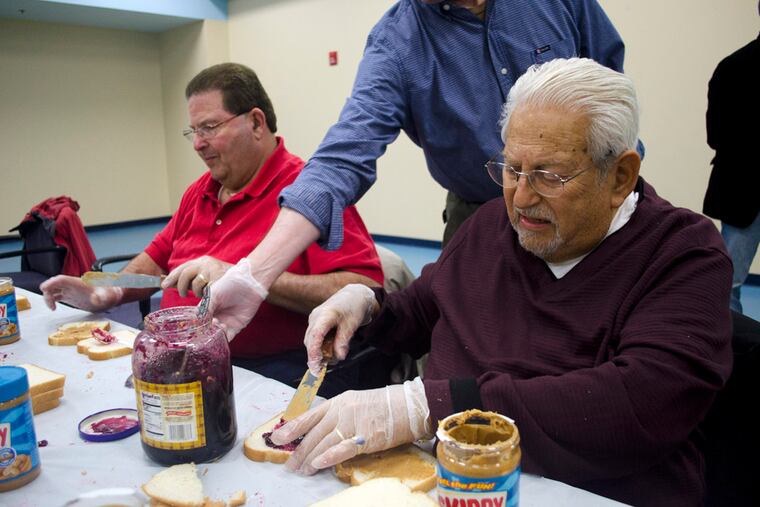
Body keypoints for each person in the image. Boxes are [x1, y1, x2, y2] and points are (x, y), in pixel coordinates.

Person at [268, 58, 733, 506]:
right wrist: (367, 307)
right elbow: (422, 309)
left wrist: (430, 407)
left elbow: (640, 404)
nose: (522, 198)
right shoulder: (491, 225)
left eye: (549, 176)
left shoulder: (684, 253)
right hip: (447, 481)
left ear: (620, 176)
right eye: (511, 169)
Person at [167, 0, 634, 343]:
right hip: (479, 211)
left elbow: (609, 85)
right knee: (465, 344)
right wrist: (254, 277)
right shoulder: (398, 41)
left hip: (591, 199)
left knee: (610, 334)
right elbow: (343, 156)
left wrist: (610, 187)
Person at [40, 63, 385, 394]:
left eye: (209, 128)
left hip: (266, 372)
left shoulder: (310, 191)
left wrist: (246, 276)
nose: (197, 143)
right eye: (193, 131)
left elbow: (365, 288)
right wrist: (107, 291)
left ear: (255, 122)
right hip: (178, 361)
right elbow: (156, 264)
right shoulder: (200, 191)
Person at [702, 3, 760, 313]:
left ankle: (730, 356)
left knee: (730, 284)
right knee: (729, 284)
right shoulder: (734, 67)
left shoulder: (732, 66)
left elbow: (716, 135)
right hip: (743, 194)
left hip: (741, 189)